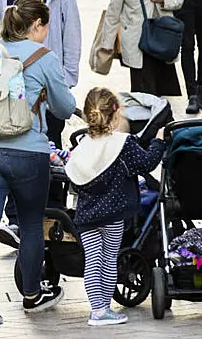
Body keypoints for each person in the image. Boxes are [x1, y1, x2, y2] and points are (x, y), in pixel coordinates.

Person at [0, 0, 77, 325]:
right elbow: (64, 107)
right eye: (45, 25)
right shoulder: (43, 56)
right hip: (27, 151)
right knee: (30, 224)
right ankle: (31, 294)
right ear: (36, 25)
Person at [0, 0, 81, 247]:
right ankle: (18, 223)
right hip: (9, 97)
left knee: (49, 157)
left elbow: (72, 37)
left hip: (49, 93)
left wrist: (66, 80)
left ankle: (49, 220)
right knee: (15, 158)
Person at [66, 88, 165, 326]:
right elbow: (147, 162)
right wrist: (158, 142)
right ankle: (104, 311)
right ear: (116, 112)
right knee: (109, 259)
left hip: (87, 215)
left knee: (92, 261)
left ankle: (96, 309)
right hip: (113, 214)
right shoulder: (123, 144)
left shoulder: (82, 146)